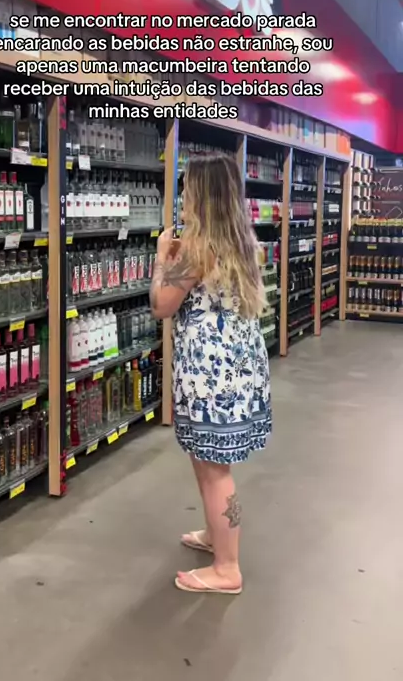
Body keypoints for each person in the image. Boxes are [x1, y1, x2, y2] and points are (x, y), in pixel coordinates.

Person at [150, 153, 271, 595]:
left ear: (201, 196)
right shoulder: (244, 242)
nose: (183, 197)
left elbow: (162, 305)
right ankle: (216, 535)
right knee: (209, 462)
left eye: (187, 189)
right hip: (238, 371)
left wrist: (161, 259)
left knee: (216, 471)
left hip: (209, 377)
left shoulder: (196, 249)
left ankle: (228, 567)